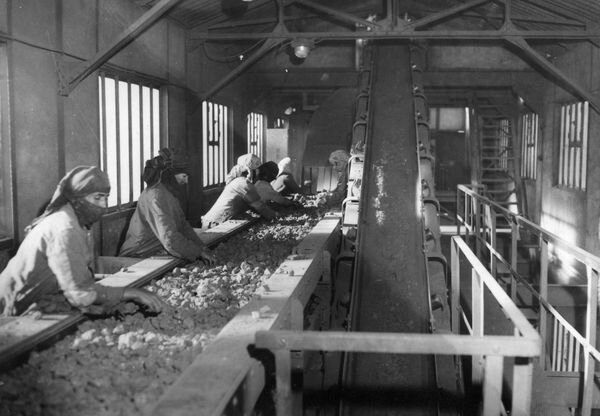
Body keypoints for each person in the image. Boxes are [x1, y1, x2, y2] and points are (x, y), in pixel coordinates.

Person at [0, 166, 164, 317]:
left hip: (39, 295)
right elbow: (80, 293)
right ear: (77, 198)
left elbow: (77, 277)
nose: (104, 205)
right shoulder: (65, 228)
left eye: (106, 198)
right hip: (13, 302)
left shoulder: (78, 222)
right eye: (97, 198)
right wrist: (131, 293)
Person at [119, 149, 215, 264]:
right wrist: (197, 252)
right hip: (137, 255)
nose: (186, 181)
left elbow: (183, 225)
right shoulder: (156, 196)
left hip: (155, 249)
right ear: (171, 174)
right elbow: (170, 238)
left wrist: (202, 247)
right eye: (184, 176)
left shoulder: (169, 194)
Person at [201, 166, 277, 230]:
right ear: (250, 173)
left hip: (214, 221)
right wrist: (275, 217)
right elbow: (259, 206)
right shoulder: (243, 183)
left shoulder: (237, 182)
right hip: (215, 224)